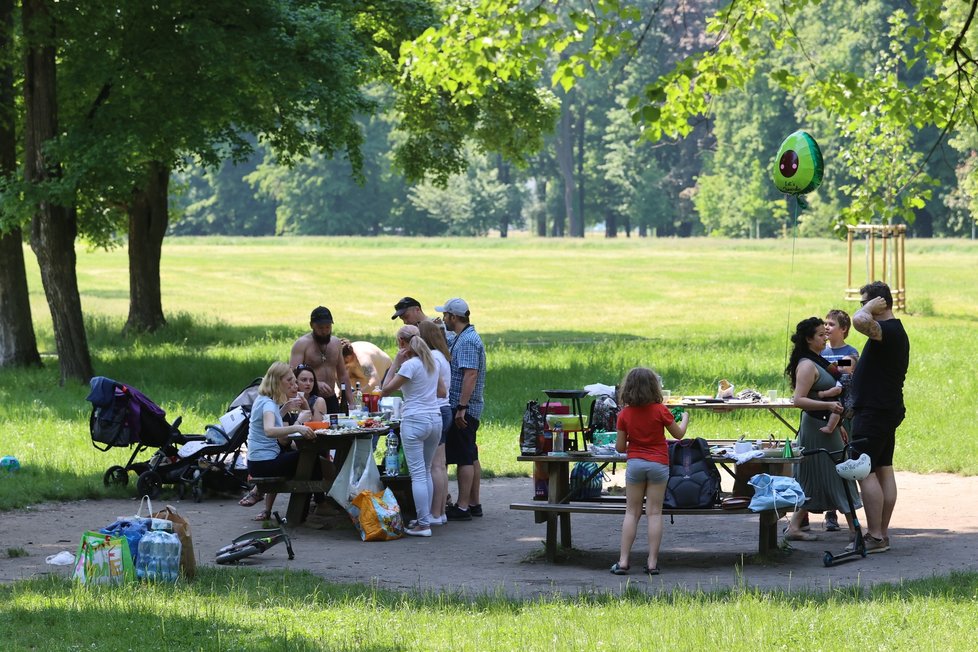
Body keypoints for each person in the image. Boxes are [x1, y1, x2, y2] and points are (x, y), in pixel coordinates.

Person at [782, 317, 861, 543]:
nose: (825, 336)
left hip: (827, 426)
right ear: (808, 339)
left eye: (825, 333)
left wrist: (836, 425)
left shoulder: (819, 359)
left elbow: (846, 367)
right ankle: (854, 530)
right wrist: (828, 405)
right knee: (839, 472)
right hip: (817, 427)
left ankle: (795, 527)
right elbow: (799, 400)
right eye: (820, 334)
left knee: (824, 473)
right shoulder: (807, 365)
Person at [849, 281, 910, 553]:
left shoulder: (887, 330)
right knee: (883, 468)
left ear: (879, 303)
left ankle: (874, 536)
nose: (862, 307)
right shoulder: (891, 331)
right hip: (883, 409)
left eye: (866, 301)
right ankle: (881, 534)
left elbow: (859, 321)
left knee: (865, 470)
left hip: (875, 411)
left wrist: (868, 308)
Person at [611, 367, 689, 576]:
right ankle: (652, 563)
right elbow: (679, 434)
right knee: (654, 513)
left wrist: (635, 443)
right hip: (658, 464)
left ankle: (623, 561)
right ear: (654, 387)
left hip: (636, 464)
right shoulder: (660, 410)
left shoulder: (624, 414)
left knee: (631, 512)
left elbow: (620, 448)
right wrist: (685, 418)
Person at [380, 325, 446, 536]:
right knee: (425, 471)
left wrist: (395, 364)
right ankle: (424, 519)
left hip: (414, 420)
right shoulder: (432, 362)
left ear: (401, 342)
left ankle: (423, 525)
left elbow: (385, 389)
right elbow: (442, 391)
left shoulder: (410, 366)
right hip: (435, 419)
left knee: (417, 473)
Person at [246, 362, 317, 521]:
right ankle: (303, 512)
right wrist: (297, 427)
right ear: (277, 381)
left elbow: (269, 421)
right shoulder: (268, 404)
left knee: (307, 460)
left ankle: (309, 509)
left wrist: (285, 408)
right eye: (289, 381)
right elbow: (269, 430)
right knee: (310, 460)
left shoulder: (263, 399)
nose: (293, 385)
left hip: (257, 463)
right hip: (264, 464)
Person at [438, 298, 486, 522]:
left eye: (446, 315)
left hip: (463, 407)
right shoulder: (463, 337)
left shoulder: (466, 341)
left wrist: (461, 408)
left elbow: (470, 375)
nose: (444, 319)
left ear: (454, 317)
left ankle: (463, 506)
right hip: (465, 406)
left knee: (464, 457)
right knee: (470, 454)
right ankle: (473, 504)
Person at [819, 308, 860, 531]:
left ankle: (848, 506)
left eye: (831, 324)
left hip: (846, 413)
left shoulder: (851, 352)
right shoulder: (821, 353)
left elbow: (842, 378)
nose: (826, 327)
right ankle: (830, 513)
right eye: (825, 323)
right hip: (825, 412)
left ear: (844, 329)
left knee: (844, 459)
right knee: (827, 461)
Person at [418, 319, 452, 525]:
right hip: (444, 409)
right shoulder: (441, 356)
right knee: (440, 464)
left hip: (437, 409)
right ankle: (440, 511)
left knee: (435, 466)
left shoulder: (433, 358)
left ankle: (435, 513)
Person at [289, 306, 353, 413]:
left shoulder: (336, 343)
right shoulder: (302, 344)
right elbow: (293, 373)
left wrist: (351, 403)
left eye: (328, 327)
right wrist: (315, 383)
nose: (324, 331)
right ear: (311, 325)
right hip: (310, 399)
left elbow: (342, 374)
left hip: (331, 398)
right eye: (320, 328)